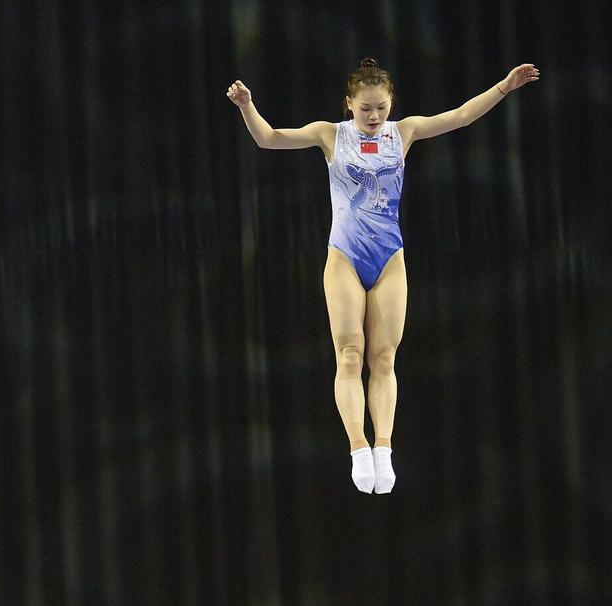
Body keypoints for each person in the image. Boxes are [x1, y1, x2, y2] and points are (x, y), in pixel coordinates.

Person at [227, 58, 538, 493]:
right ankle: (358, 446)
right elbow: (270, 139)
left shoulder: (402, 132)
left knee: (385, 358)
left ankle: (384, 447)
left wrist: (504, 87)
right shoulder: (329, 134)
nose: (374, 117)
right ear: (349, 104)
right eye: (365, 109)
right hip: (344, 257)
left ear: (391, 104)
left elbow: (461, 115)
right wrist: (247, 106)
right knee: (350, 355)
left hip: (390, 257)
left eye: (381, 108)